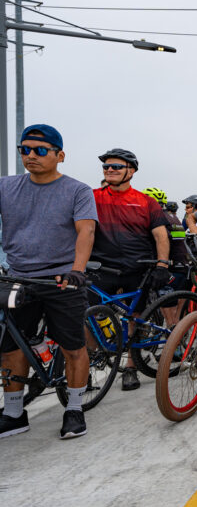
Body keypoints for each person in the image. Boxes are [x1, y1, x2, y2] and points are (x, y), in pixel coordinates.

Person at [0, 124, 97, 440]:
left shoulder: (77, 190)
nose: (30, 156)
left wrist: (77, 271)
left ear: (60, 155)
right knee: (12, 348)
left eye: (40, 150)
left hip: (61, 279)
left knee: (72, 347)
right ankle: (14, 414)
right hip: (18, 278)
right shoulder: (6, 187)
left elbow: (86, 231)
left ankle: (74, 409)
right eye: (24, 149)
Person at [92, 149, 172, 391]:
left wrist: (162, 264)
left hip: (138, 267)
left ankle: (130, 367)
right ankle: (87, 363)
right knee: (86, 314)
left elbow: (161, 236)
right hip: (101, 266)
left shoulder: (146, 202)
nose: (109, 170)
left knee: (134, 317)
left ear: (131, 171)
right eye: (106, 166)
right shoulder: (91, 196)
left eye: (116, 166)